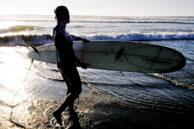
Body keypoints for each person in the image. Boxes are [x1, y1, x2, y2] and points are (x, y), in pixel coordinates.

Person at [53, 5, 89, 126]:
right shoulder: (59, 32)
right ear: (61, 16)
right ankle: (58, 112)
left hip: (62, 64)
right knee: (77, 89)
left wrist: (80, 38)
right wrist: (80, 63)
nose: (69, 16)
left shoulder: (59, 29)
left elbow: (70, 37)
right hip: (67, 64)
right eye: (66, 13)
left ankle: (71, 109)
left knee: (70, 87)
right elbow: (68, 52)